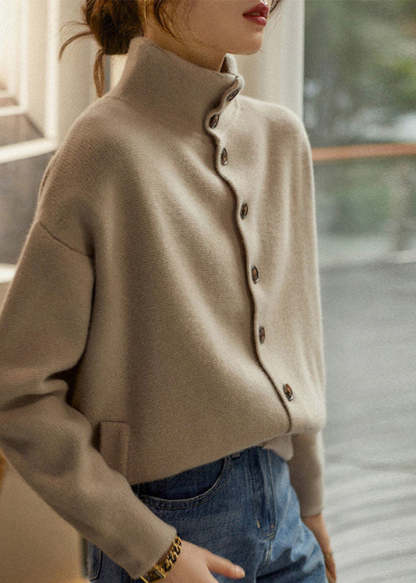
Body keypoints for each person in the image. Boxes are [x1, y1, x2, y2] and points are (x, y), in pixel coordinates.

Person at [0, 1, 337, 582]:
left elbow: (295, 345)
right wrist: (154, 550)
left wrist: (311, 504)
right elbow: (17, 391)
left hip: (285, 514)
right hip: (168, 527)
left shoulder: (281, 138)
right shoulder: (102, 149)